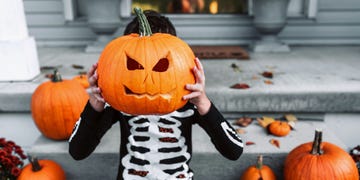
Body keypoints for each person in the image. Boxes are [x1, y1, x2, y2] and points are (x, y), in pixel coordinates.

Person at [69, 10, 243, 180]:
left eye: (161, 65)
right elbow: (77, 151)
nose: (147, 80)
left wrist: (204, 103)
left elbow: (234, 151)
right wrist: (95, 107)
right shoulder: (118, 103)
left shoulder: (188, 102)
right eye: (134, 65)